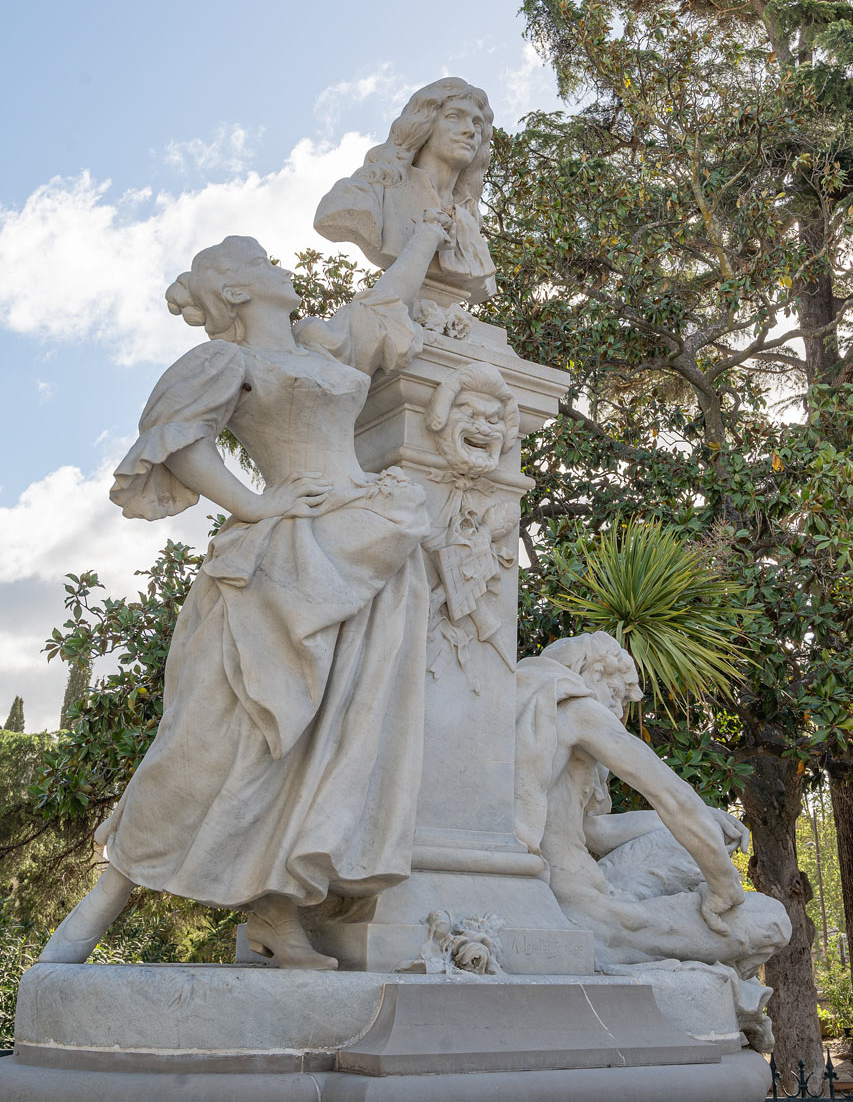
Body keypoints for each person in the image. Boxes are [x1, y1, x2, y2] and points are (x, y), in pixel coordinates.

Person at [39, 222, 448, 970]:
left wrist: (424, 234)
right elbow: (178, 440)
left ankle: (276, 912)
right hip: (288, 556)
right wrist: (254, 504)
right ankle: (109, 892)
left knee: (328, 738)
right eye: (259, 261)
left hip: (368, 545)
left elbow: (384, 302)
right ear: (234, 289)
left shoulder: (322, 346)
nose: (278, 265)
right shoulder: (229, 360)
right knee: (221, 736)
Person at [515, 632, 791, 1047]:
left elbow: (594, 831)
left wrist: (710, 818)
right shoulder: (575, 708)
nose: (618, 709)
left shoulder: (526, 704)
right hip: (595, 920)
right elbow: (673, 798)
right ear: (591, 674)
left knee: (686, 838)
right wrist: (723, 887)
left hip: (578, 891)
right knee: (772, 919)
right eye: (615, 693)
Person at [314, 77, 496, 302]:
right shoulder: (370, 191)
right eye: (453, 117)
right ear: (424, 125)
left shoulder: (469, 219)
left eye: (477, 124)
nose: (469, 131)